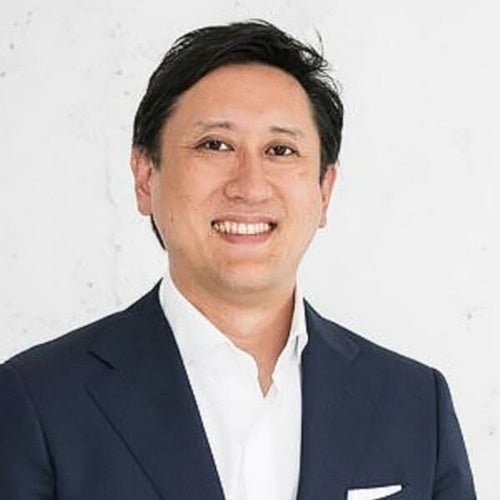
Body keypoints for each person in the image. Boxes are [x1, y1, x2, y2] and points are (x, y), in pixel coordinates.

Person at [0, 20, 475, 500]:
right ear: (145, 177)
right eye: (215, 145)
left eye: (280, 150)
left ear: (324, 190)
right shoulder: (38, 401)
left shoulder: (415, 405)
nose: (249, 186)